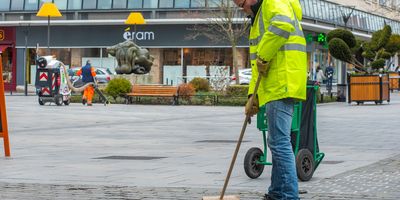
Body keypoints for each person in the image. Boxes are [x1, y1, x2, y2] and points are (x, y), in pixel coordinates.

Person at [234, 0, 307, 199]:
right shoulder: (259, 16)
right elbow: (258, 63)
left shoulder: (273, 3)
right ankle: (277, 192)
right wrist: (252, 95)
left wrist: (264, 55)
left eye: (241, 2)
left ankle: (289, 195)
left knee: (279, 142)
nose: (241, 7)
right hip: (280, 82)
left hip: (281, 82)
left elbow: (283, 24)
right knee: (276, 141)